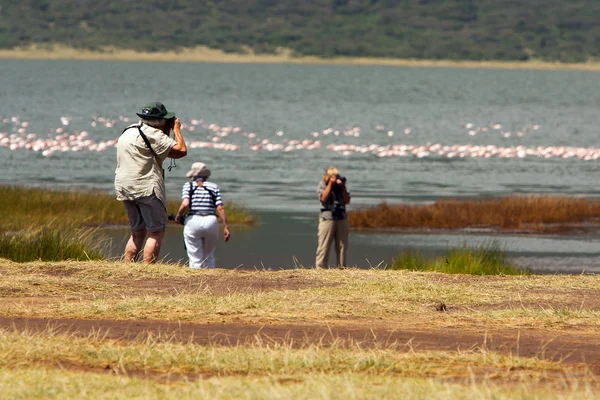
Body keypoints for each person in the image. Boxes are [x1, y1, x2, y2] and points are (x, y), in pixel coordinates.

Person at [114, 102, 187, 263]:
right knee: (156, 231)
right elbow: (181, 151)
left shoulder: (129, 131)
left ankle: (129, 267)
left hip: (125, 187)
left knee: (137, 232)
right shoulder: (153, 134)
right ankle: (148, 270)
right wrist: (176, 130)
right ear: (160, 120)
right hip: (146, 188)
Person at [175, 162, 230, 268]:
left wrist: (178, 216)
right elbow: (220, 208)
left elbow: (185, 204)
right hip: (211, 220)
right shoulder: (213, 187)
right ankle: (210, 280)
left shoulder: (188, 186)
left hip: (193, 220)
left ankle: (196, 281)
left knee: (195, 258)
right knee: (209, 256)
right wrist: (226, 226)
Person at [315, 167, 351, 268]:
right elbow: (323, 198)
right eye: (334, 177)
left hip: (341, 217)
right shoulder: (322, 185)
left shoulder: (342, 186)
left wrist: (342, 187)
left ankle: (342, 267)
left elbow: (347, 200)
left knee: (342, 246)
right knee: (324, 246)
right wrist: (330, 184)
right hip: (327, 218)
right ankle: (321, 268)